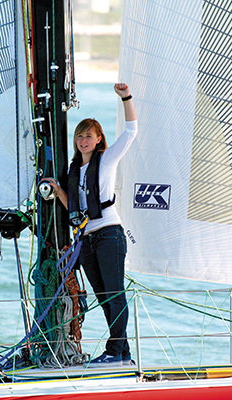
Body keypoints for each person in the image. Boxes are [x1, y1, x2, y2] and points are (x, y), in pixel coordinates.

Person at [44, 82, 137, 366]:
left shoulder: (106, 160)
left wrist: (126, 98)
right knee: (103, 297)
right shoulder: (74, 170)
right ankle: (122, 354)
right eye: (79, 136)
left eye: (89, 136)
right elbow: (76, 206)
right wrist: (56, 189)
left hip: (109, 234)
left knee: (114, 293)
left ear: (98, 139)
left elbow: (131, 131)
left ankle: (114, 351)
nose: (83, 140)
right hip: (86, 240)